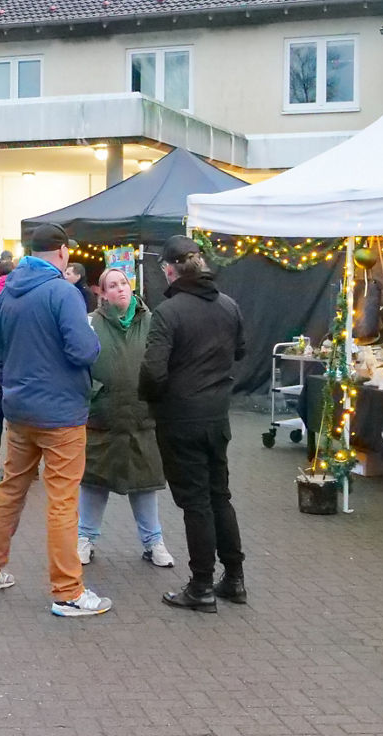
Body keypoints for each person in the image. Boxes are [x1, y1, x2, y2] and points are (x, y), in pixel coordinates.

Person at [0, 223, 110, 617]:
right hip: (62, 412)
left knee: (10, 489)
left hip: (18, 410)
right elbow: (84, 351)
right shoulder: (64, 293)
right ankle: (67, 591)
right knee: (63, 501)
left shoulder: (7, 292)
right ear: (63, 252)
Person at [140, 236, 246, 613]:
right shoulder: (229, 305)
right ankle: (233, 578)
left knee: (196, 503)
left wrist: (157, 399)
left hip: (180, 418)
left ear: (169, 269)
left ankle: (201, 584)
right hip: (216, 415)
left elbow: (153, 371)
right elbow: (240, 352)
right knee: (220, 495)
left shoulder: (168, 313)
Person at [77, 268, 174, 568]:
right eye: (112, 285)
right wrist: (92, 392)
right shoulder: (91, 323)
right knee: (93, 481)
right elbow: (78, 363)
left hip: (141, 417)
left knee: (144, 483)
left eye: (123, 283)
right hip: (102, 417)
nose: (120, 289)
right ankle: (85, 539)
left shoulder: (152, 321)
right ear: (102, 293)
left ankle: (153, 541)